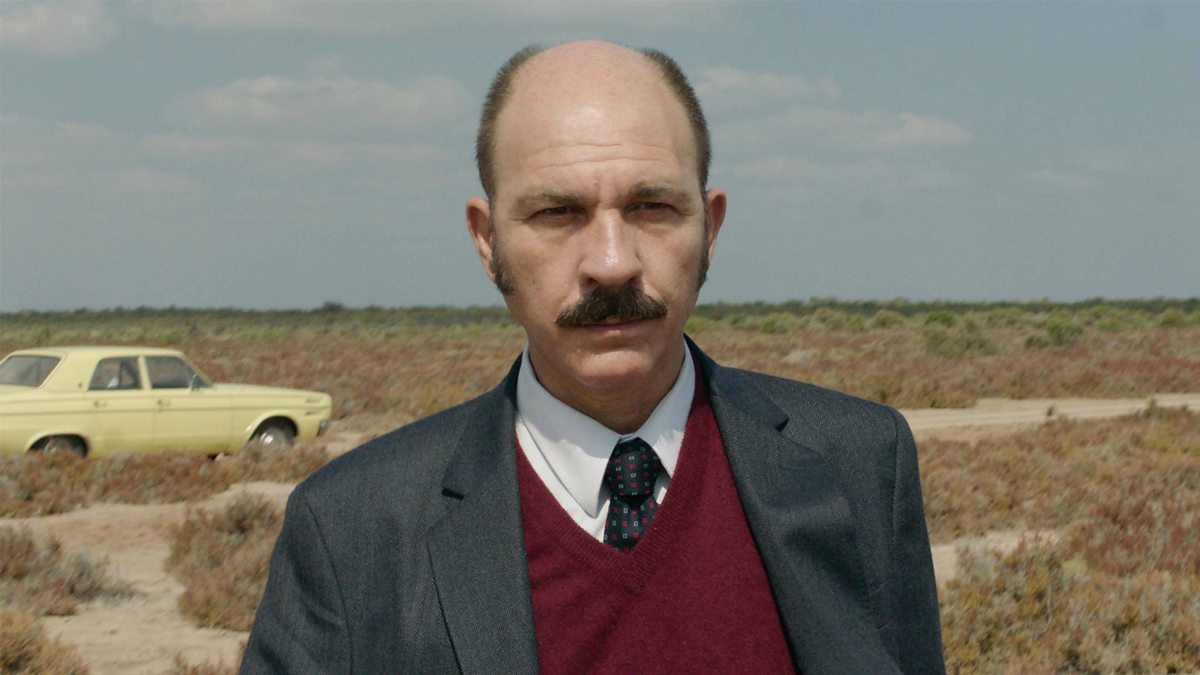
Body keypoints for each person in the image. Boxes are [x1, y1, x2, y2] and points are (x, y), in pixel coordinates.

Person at [242, 40, 945, 674]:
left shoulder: (859, 461)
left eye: (652, 207)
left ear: (710, 228)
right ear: (486, 240)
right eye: (558, 213)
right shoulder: (354, 529)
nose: (612, 263)